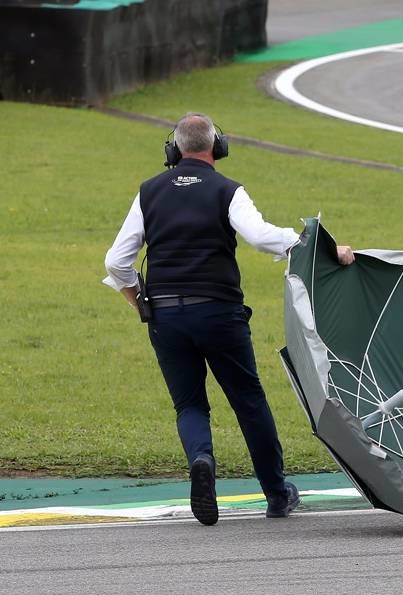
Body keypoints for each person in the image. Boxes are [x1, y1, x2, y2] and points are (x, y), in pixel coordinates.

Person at [103, 112, 354, 526]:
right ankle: (276, 493)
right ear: (216, 148)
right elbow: (259, 236)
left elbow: (116, 261)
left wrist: (139, 303)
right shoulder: (227, 190)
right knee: (248, 401)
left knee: (189, 404)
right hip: (219, 313)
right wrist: (320, 245)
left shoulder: (148, 192)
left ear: (174, 149)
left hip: (166, 316)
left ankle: (202, 458)